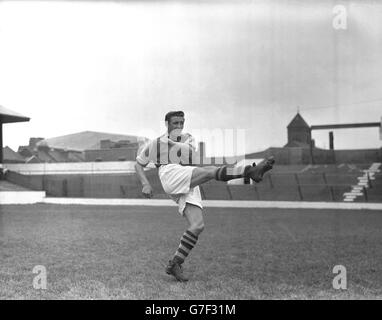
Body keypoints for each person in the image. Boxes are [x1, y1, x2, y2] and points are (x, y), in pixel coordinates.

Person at [135, 110, 275, 282]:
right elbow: (139, 163)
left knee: (197, 225)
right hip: (170, 173)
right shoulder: (155, 143)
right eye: (175, 123)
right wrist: (145, 184)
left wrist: (169, 144)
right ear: (167, 124)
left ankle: (175, 264)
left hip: (188, 177)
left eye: (181, 123)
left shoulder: (188, 138)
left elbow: (187, 152)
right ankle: (249, 171)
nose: (179, 126)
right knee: (209, 172)